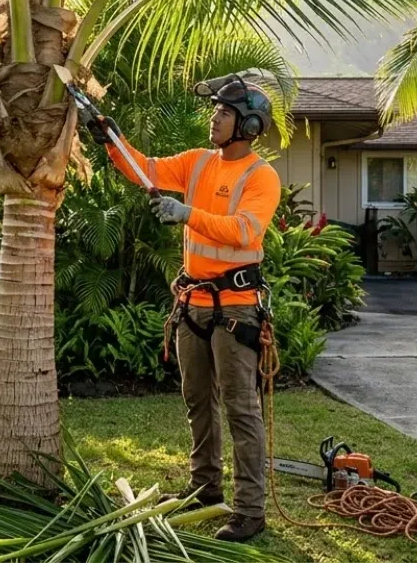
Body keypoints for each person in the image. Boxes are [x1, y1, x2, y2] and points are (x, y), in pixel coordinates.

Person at [79, 73, 281, 542]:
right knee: (197, 401)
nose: (215, 118)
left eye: (225, 112)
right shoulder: (197, 162)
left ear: (249, 125)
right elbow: (145, 170)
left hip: (235, 309)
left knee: (241, 409)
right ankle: (205, 488)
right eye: (216, 110)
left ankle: (250, 511)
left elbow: (245, 230)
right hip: (192, 304)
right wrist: (112, 140)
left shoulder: (260, 176)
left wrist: (186, 213)